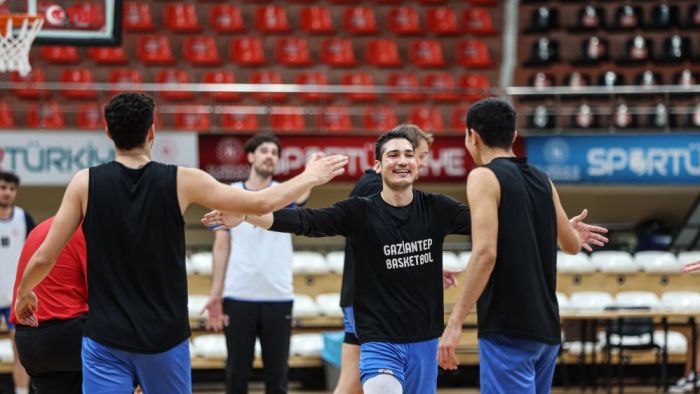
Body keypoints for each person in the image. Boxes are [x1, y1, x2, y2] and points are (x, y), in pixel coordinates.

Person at [203, 128, 606, 394]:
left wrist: (558, 228)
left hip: (424, 344)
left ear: (418, 165)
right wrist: (248, 215)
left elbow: (500, 222)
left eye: (408, 154)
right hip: (379, 343)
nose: (402, 160)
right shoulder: (359, 211)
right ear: (377, 166)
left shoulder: (437, 208)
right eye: (392, 154)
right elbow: (301, 220)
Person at [13, 92, 348, 394]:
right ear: (152, 132)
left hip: (106, 341)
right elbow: (260, 203)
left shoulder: (84, 183)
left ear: (108, 133)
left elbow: (45, 256)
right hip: (164, 340)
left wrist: (25, 293)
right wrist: (309, 177)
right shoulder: (182, 180)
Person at [438, 98, 609, 393]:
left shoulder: (483, 176)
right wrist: (570, 231)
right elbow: (570, 245)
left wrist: (454, 323)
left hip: (508, 326)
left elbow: (485, 253)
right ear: (514, 135)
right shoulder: (543, 179)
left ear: (472, 136)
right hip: (546, 328)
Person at [334, 124, 454, 394]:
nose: (421, 162)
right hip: (369, 301)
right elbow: (383, 241)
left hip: (373, 299)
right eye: (420, 154)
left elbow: (393, 246)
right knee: (356, 380)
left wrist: (428, 267)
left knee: (352, 381)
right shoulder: (373, 188)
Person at [203, 132, 310, 394]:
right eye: (264, 151)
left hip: (278, 295)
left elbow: (306, 189)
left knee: (278, 376)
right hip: (238, 295)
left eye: (274, 153)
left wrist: (313, 167)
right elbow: (221, 245)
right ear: (251, 156)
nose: (270, 156)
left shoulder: (284, 193)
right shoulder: (230, 193)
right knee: (237, 374)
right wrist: (215, 294)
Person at [10, 217, 86, 394]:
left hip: (27, 340)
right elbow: (104, 296)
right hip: (67, 334)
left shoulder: (38, 229)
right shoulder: (87, 229)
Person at [0, 171, 34, 394]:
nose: (7, 193)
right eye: (3, 187)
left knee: (21, 352)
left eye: (12, 189)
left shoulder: (24, 219)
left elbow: (36, 256)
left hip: (14, 298)